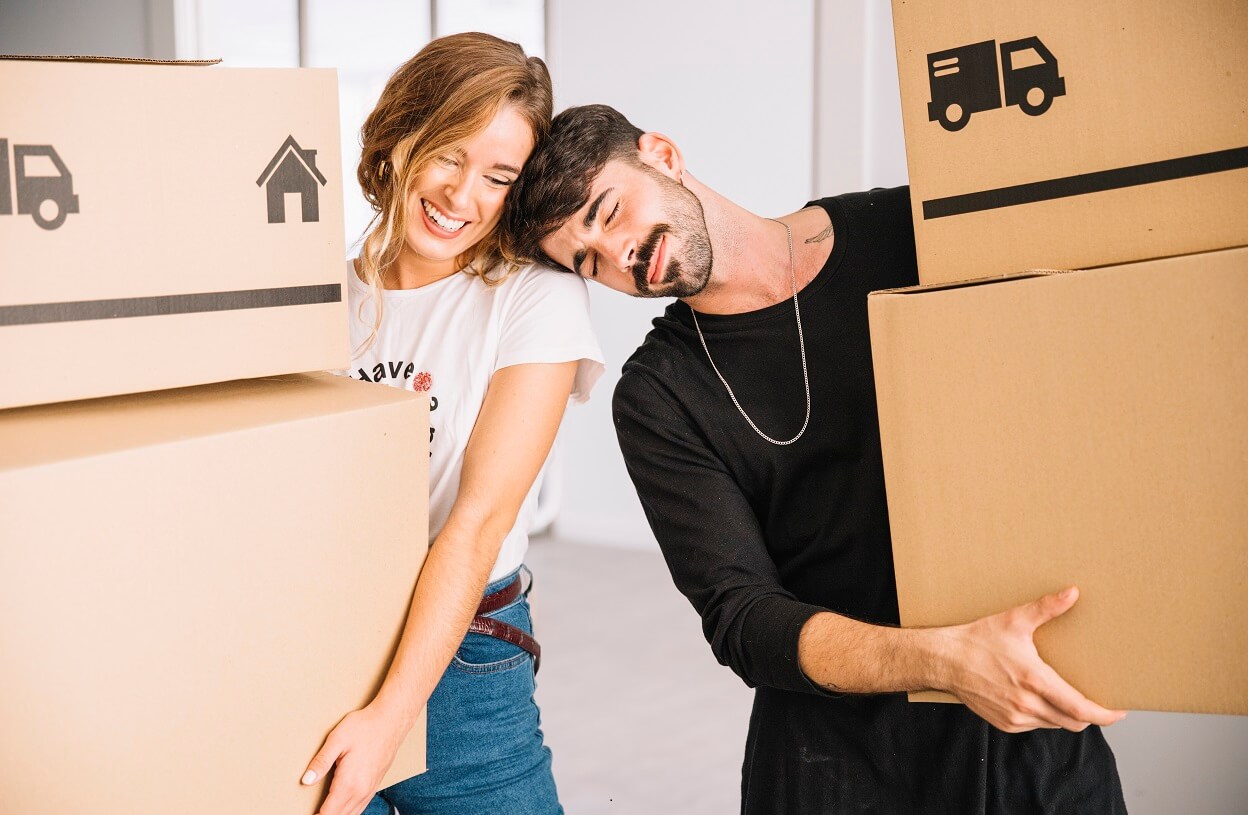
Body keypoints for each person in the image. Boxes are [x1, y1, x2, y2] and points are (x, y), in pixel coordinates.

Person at [500, 103, 1127, 814]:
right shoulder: (658, 394)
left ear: (664, 155)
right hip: (835, 760)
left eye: (609, 213)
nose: (620, 256)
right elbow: (744, 617)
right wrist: (947, 659)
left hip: (1029, 712)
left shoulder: (908, 228)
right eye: (587, 260)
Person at [300, 36, 603, 815]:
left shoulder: (533, 299)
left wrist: (389, 720)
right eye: (449, 156)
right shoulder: (315, 301)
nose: (464, 197)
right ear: (403, 137)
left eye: (498, 177)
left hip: (468, 661)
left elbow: (477, 522)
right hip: (324, 636)